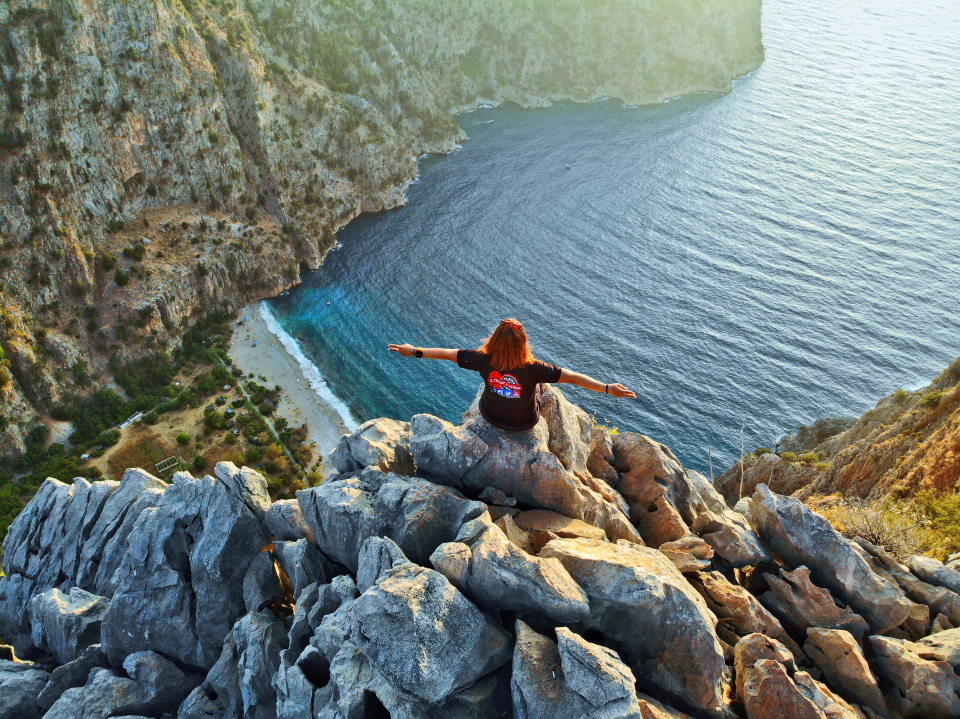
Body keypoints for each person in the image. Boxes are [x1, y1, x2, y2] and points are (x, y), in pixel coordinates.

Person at [388, 318, 635, 432]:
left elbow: (445, 353)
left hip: (490, 416)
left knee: (492, 386)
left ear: (494, 340)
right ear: (523, 343)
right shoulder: (534, 368)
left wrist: (414, 352)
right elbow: (571, 377)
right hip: (525, 424)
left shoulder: (481, 359)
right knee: (544, 386)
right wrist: (606, 388)